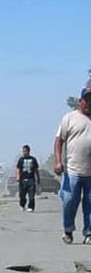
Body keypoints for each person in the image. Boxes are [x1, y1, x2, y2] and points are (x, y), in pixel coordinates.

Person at [54, 88, 91, 244]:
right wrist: (58, 161)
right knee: (69, 200)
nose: (89, 102)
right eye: (87, 99)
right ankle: (68, 230)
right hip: (73, 171)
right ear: (80, 101)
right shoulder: (69, 118)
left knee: (90, 203)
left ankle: (89, 233)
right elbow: (58, 141)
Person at [15, 144, 42, 212]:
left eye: (25, 151)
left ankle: (31, 207)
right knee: (22, 195)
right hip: (22, 180)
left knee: (31, 196)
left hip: (31, 180)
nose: (24, 152)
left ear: (28, 151)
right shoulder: (21, 160)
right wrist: (18, 177)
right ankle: (22, 205)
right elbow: (18, 169)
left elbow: (36, 170)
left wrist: (38, 178)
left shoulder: (33, 159)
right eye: (23, 151)